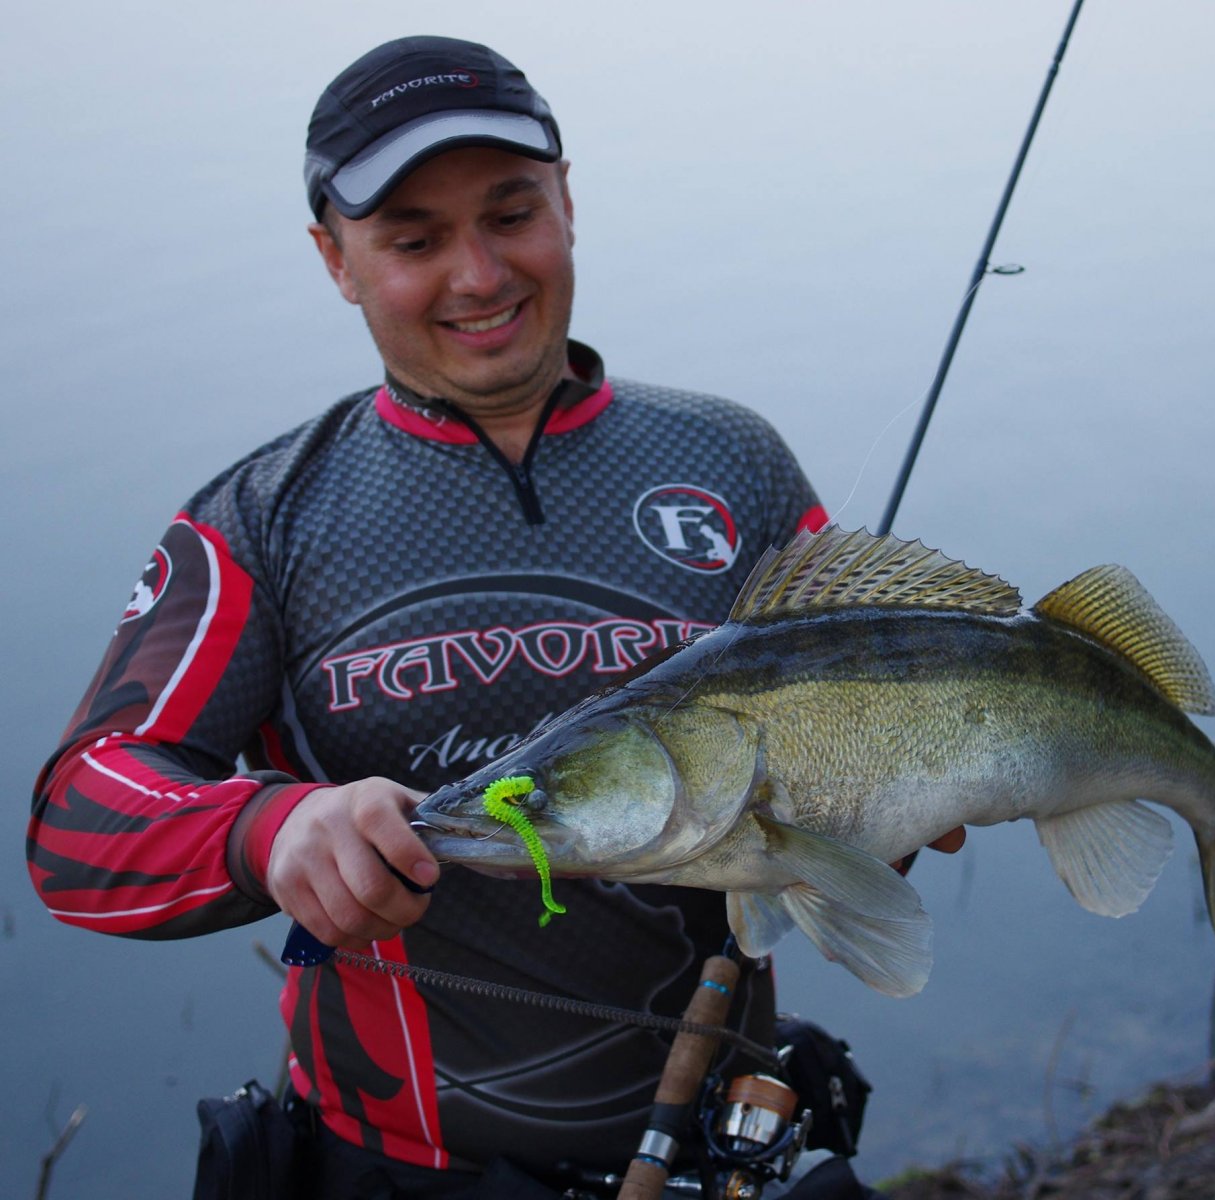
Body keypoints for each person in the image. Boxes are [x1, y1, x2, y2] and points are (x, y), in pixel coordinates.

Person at [28, 35, 961, 1198]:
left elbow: (874, 736)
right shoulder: (262, 520)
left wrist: (888, 809)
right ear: (335, 259)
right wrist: (273, 830)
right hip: (394, 1173)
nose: (478, 276)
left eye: (511, 214)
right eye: (414, 240)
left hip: (715, 1153)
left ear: (567, 203)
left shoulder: (734, 463)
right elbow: (77, 825)